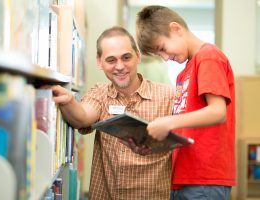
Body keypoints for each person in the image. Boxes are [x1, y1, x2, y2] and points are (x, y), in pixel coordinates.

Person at [50, 26, 175, 199]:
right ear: (99, 62)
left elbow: (183, 144)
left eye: (126, 57)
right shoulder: (99, 93)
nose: (120, 66)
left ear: (137, 56)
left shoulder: (168, 96)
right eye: (111, 60)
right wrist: (69, 100)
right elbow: (82, 118)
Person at [136, 5, 236, 200]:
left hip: (205, 177)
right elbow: (188, 126)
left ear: (176, 29)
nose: (165, 58)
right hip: (184, 175)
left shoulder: (208, 57)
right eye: (159, 55)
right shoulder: (184, 72)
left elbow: (218, 112)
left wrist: (168, 122)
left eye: (162, 49)